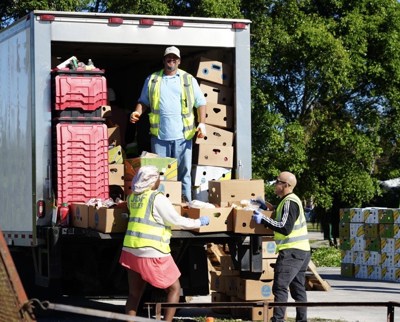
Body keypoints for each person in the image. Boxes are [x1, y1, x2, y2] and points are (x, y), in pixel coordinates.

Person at [119, 165, 210, 321]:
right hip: (153, 250)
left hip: (131, 250)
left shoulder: (132, 197)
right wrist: (198, 222)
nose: (160, 180)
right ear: (152, 181)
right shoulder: (157, 198)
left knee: (134, 293)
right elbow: (175, 220)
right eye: (158, 178)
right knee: (174, 289)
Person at [130, 46, 207, 202]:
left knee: (183, 173)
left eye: (174, 58)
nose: (171, 60)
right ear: (164, 60)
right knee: (158, 173)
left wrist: (202, 123)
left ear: (179, 61)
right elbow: (143, 101)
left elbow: (200, 103)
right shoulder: (152, 79)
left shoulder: (188, 79)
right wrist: (137, 112)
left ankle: (185, 204)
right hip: (160, 137)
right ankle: (161, 204)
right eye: (168, 57)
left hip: (183, 137)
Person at [252, 171, 311, 322]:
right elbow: (281, 218)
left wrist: (263, 219)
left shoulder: (289, 202)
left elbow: (285, 227)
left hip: (292, 251)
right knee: (298, 289)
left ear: (286, 185)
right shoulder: (288, 201)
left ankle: (278, 320)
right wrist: (267, 207)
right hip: (301, 250)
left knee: (280, 287)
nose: (275, 184)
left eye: (278, 181)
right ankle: (302, 320)